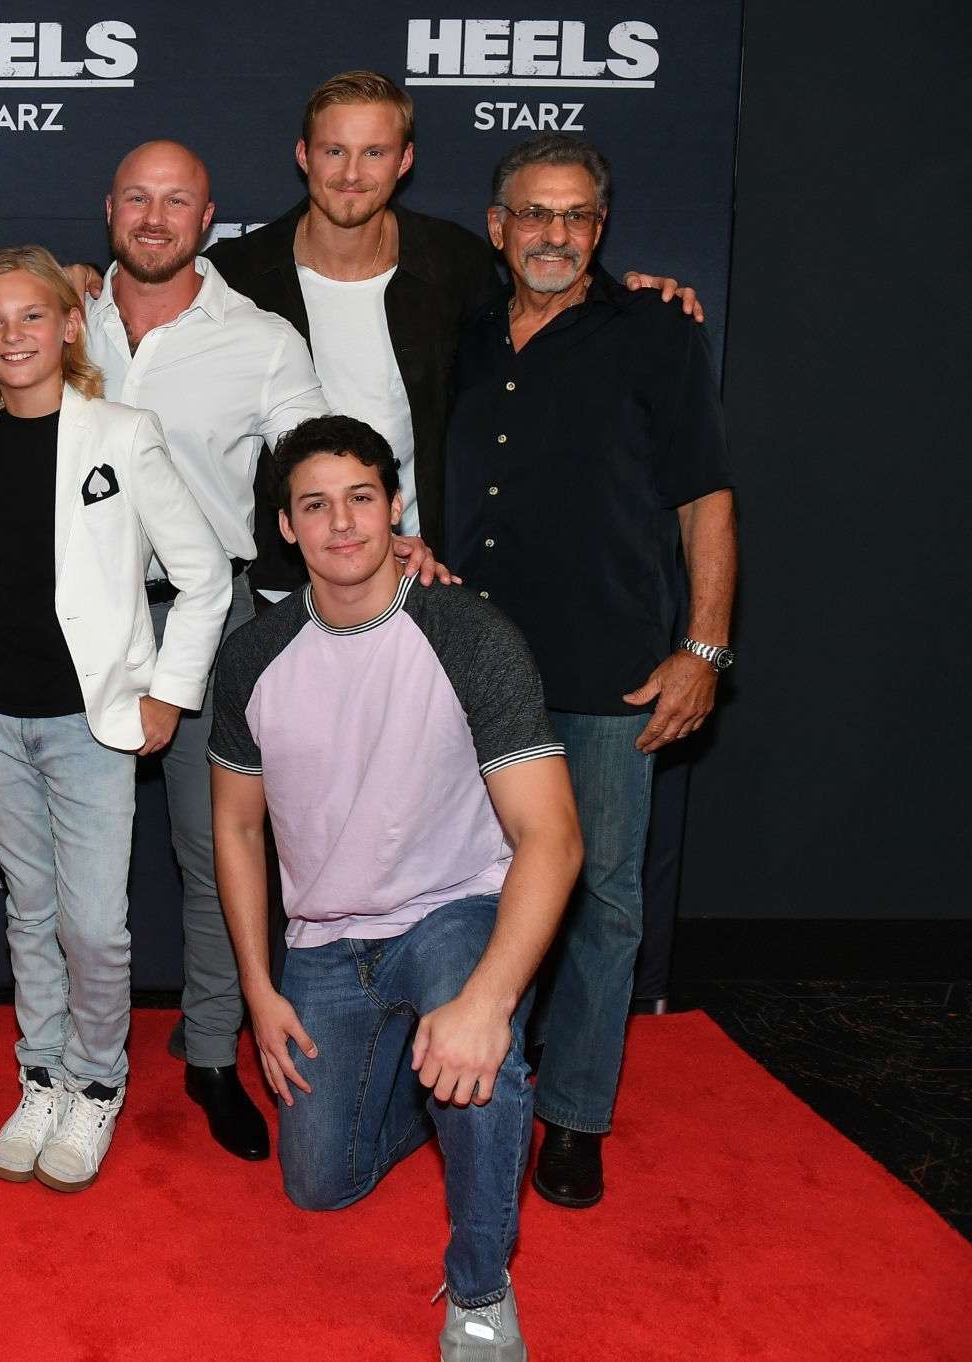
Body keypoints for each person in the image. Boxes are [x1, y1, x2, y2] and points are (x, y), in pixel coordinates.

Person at [83, 139, 443, 1162]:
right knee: (75, 867)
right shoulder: (58, 316)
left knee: (217, 856)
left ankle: (209, 1054)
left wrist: (387, 529)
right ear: (109, 208)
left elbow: (313, 461)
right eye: (137, 197)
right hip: (76, 622)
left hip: (210, 622)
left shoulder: (260, 338)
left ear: (207, 221)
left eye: (177, 202)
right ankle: (68, 1061)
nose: (154, 218)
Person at [212, 415, 582, 1361]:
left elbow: (551, 837)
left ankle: (481, 1291)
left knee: (484, 1058)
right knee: (318, 1186)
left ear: (395, 507)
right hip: (323, 941)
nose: (341, 524)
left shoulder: (469, 634)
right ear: (285, 527)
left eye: (361, 499)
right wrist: (258, 989)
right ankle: (432, 1100)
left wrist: (489, 1003)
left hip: (452, 908)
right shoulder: (254, 655)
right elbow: (239, 829)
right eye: (315, 505)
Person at [0, 246, 229, 1191]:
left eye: (32, 316)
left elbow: (204, 577)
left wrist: (168, 692)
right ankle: (40, 1075)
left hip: (91, 722)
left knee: (94, 925)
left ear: (71, 326)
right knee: (29, 910)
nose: (13, 336)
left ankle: (98, 1082)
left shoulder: (124, 432)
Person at [446, 133, 737, 1210]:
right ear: (497, 226)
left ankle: (573, 1116)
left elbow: (705, 499)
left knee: (603, 899)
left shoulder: (656, 331)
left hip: (612, 668)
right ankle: (476, 1087)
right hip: (470, 669)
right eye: (534, 213)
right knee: (473, 894)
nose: (554, 234)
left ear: (600, 228)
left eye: (575, 216)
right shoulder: (463, 331)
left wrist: (702, 649)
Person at [204, 70, 701, 594]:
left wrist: (627, 293)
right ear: (304, 155)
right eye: (334, 151)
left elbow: (538, 318)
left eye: (373, 152)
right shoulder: (234, 275)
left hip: (420, 575)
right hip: (279, 582)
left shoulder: (454, 263)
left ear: (404, 160)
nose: (351, 173)